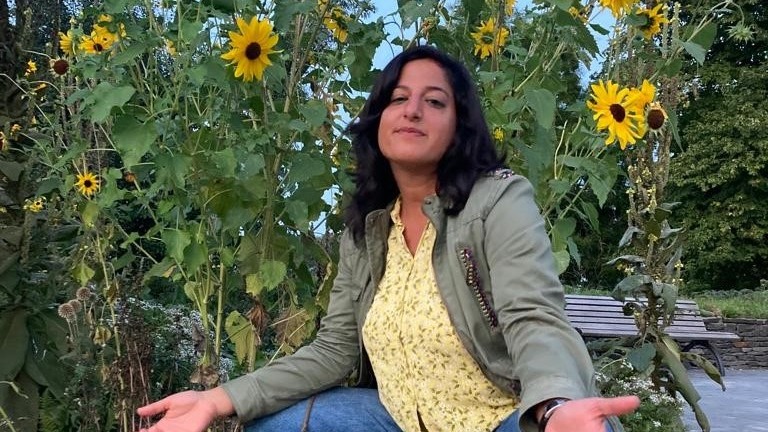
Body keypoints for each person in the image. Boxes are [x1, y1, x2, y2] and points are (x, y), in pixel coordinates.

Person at [137, 45, 639, 432]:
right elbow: (333, 351)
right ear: (378, 121)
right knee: (272, 425)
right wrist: (217, 399)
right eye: (398, 99)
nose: (412, 110)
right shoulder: (369, 229)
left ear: (459, 127)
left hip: (502, 418)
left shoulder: (496, 202)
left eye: (434, 101)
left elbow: (533, 317)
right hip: (398, 419)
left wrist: (555, 406)